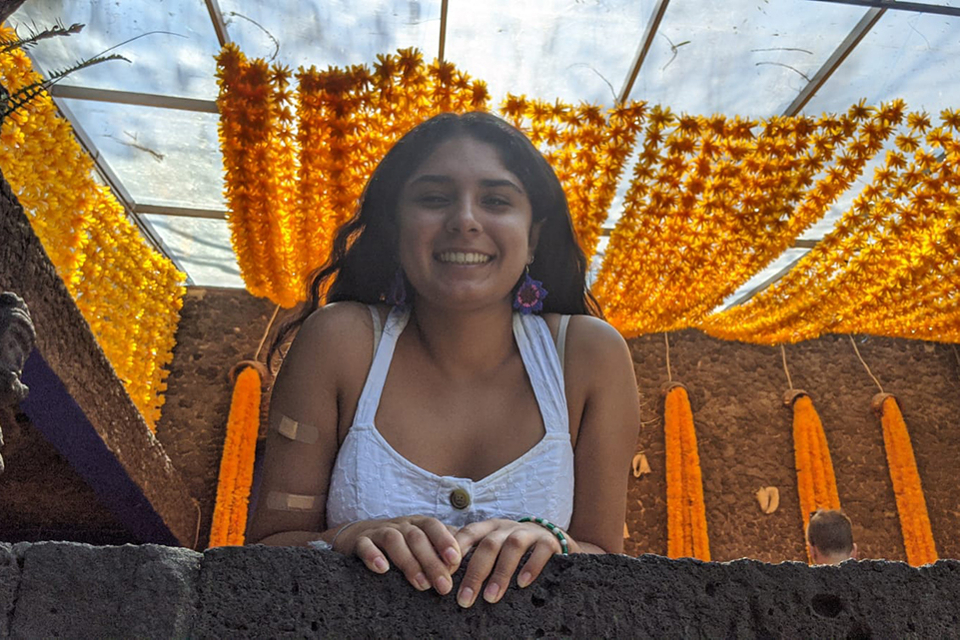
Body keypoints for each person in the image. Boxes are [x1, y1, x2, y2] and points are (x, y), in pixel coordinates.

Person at [246, 111, 641, 609]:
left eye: (496, 200)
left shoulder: (589, 357)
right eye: (434, 199)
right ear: (395, 229)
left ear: (533, 237)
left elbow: (606, 559)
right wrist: (345, 538)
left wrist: (552, 542)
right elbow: (265, 550)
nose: (465, 220)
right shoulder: (339, 343)